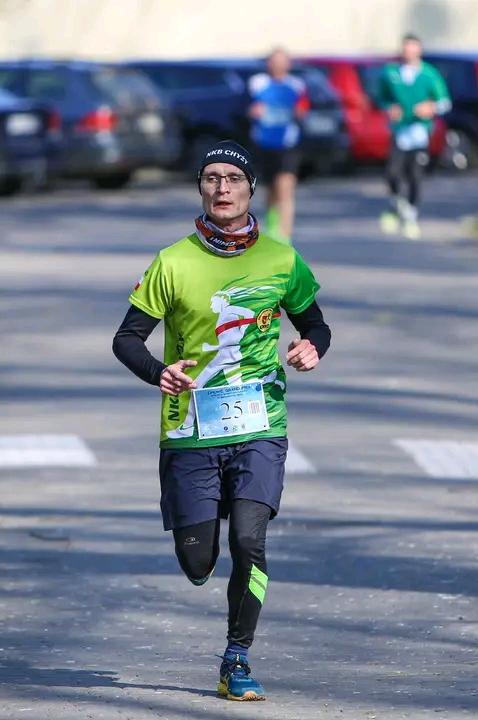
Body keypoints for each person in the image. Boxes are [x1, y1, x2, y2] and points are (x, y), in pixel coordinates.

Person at [112, 140, 331, 701]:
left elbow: (315, 323)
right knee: (198, 560)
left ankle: (237, 659)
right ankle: (202, 542)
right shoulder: (173, 261)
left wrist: (312, 346)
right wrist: (158, 372)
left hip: (261, 425)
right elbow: (126, 339)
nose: (222, 188)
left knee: (249, 539)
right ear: (201, 189)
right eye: (211, 178)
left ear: (251, 189)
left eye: (233, 178)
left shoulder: (282, 260)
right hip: (190, 430)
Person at [376, 33, 451, 239]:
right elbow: (380, 98)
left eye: (413, 47)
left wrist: (431, 108)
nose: (409, 51)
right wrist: (389, 108)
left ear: (419, 50)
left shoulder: (429, 74)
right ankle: (396, 205)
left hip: (419, 132)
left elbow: (445, 102)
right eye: (406, 46)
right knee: (392, 172)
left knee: (415, 175)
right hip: (399, 131)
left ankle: (411, 215)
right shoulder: (390, 73)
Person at [246, 48, 309, 245]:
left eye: (282, 61)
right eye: (274, 61)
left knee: (285, 186)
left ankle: (285, 236)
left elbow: (304, 108)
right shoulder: (257, 83)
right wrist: (253, 111)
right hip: (264, 142)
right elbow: (245, 108)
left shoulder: (296, 85)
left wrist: (300, 112)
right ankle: (272, 226)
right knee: (271, 189)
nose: (278, 65)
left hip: (287, 143)